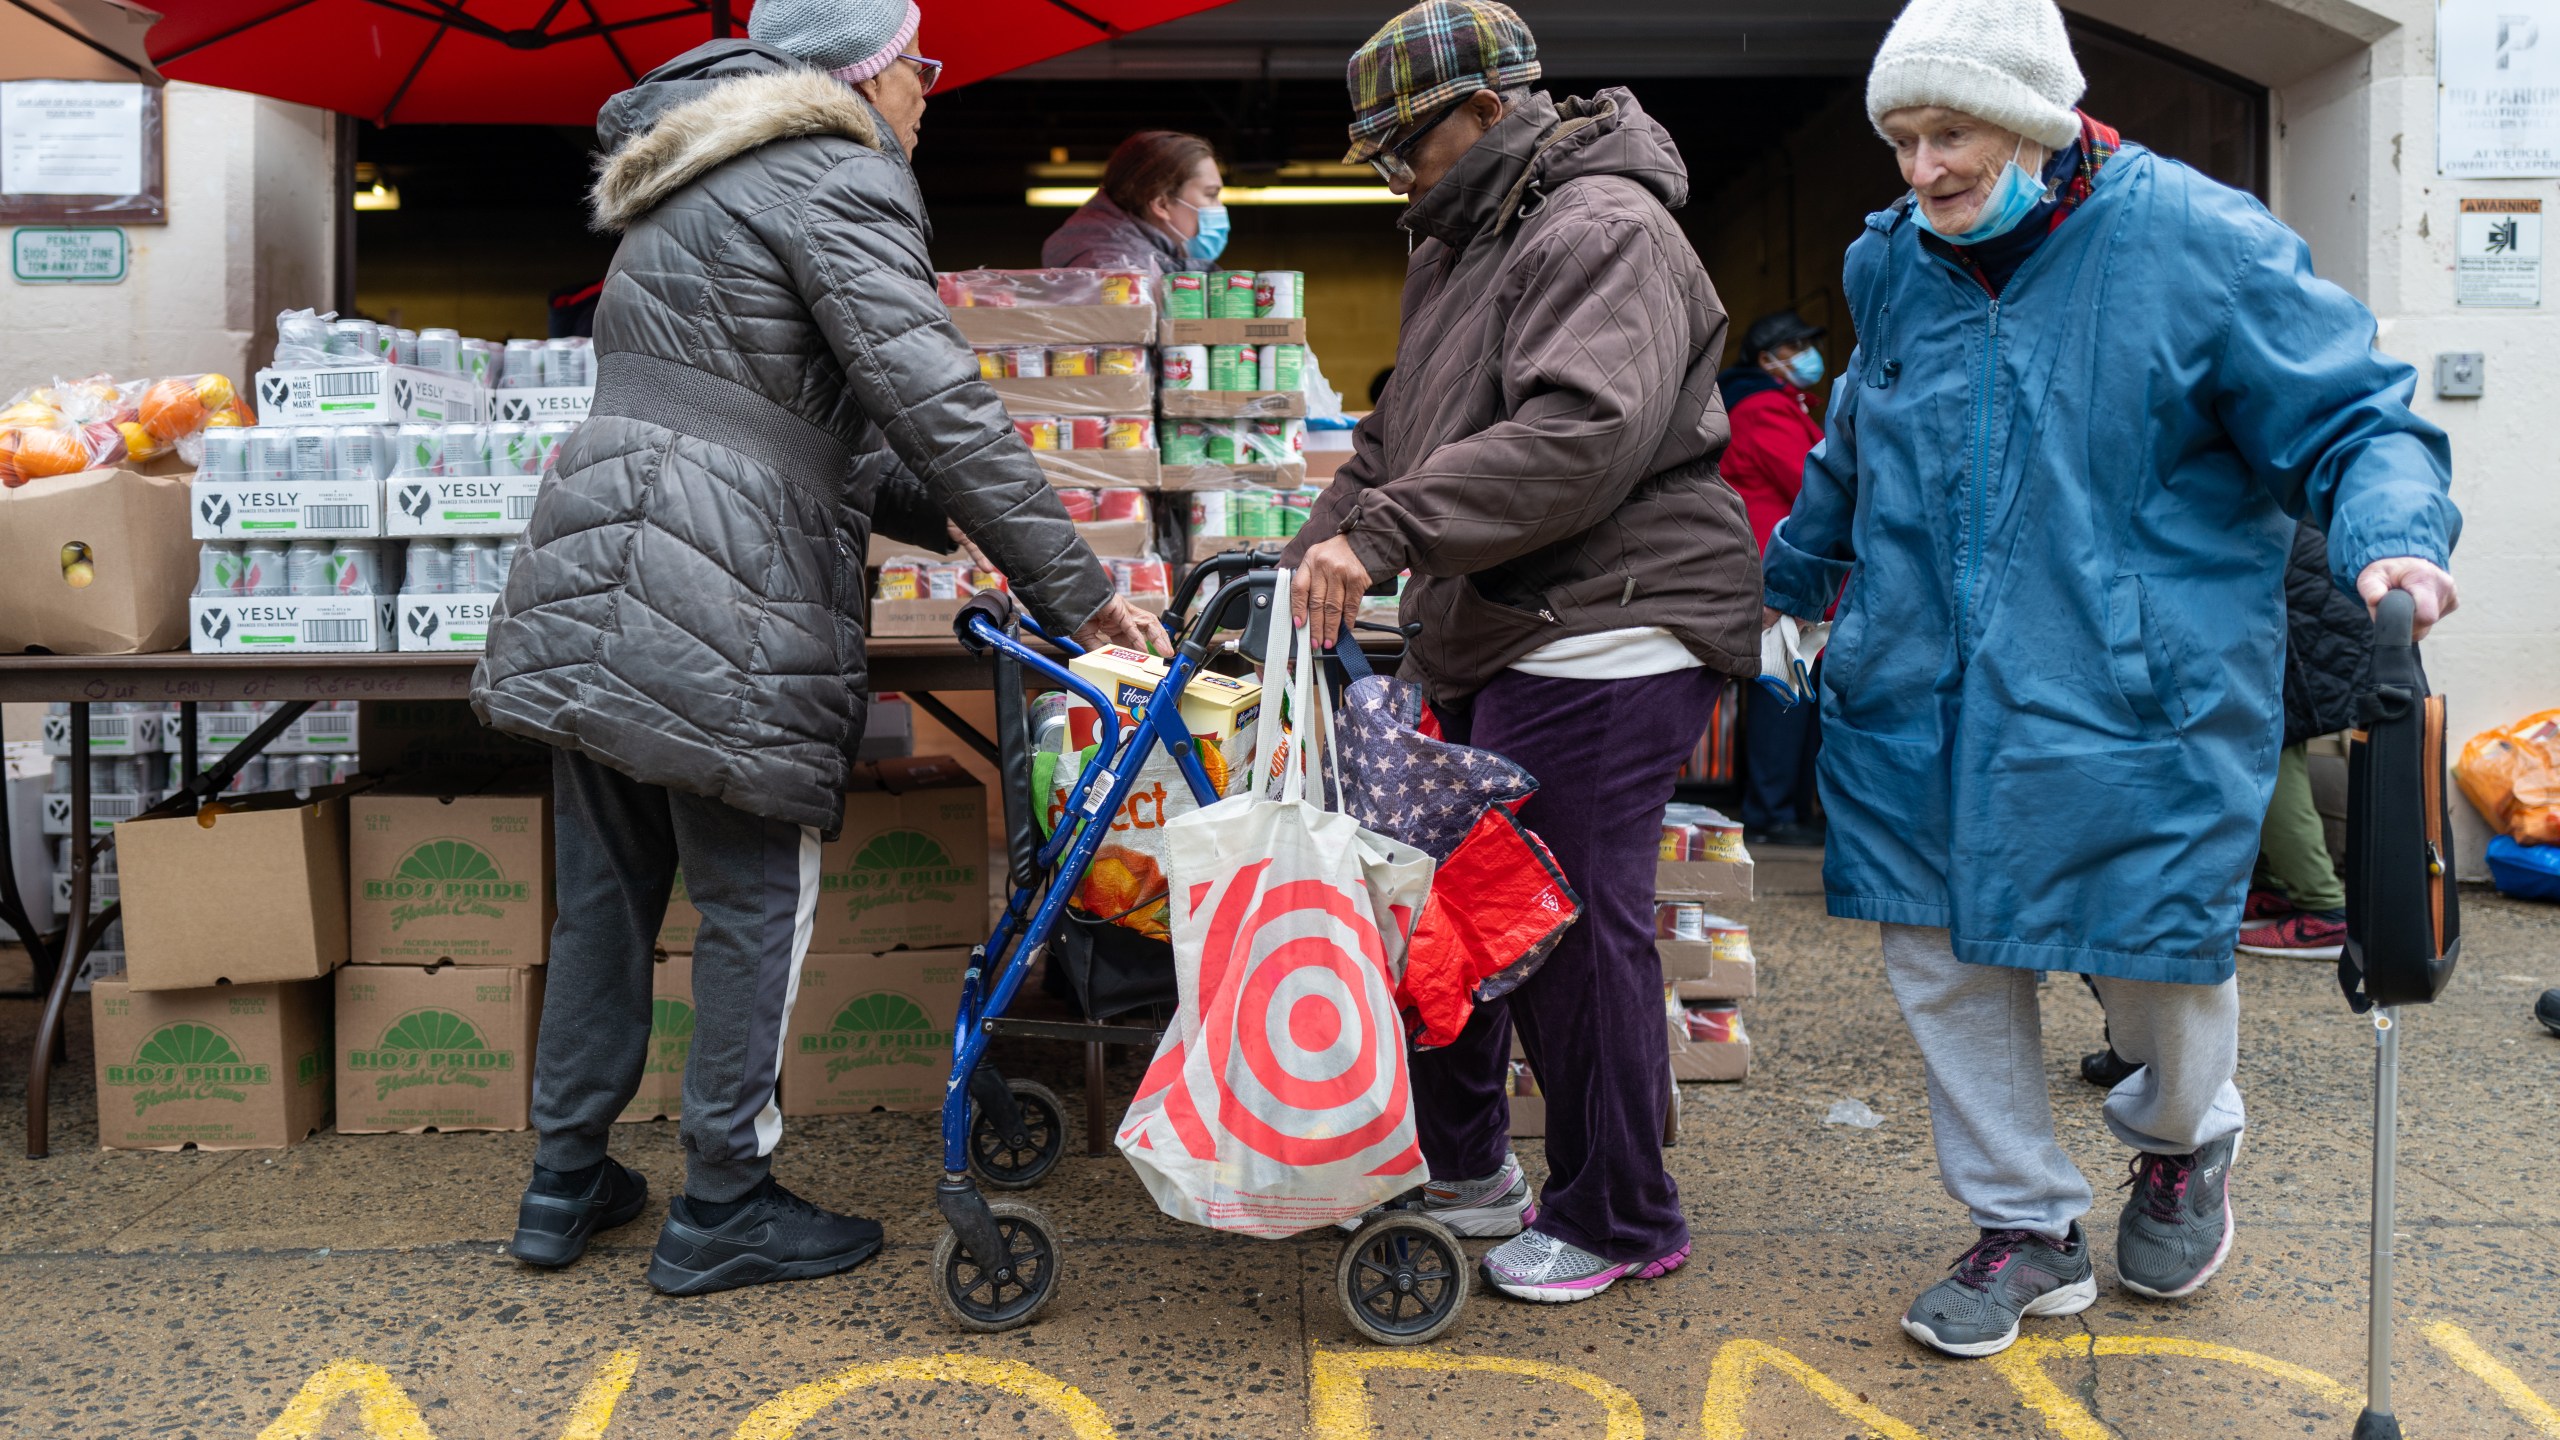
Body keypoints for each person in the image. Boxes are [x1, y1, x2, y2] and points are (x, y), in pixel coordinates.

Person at [1760, 0, 2460, 1359]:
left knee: (2153, 952)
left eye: (1948, 133)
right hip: (1921, 684)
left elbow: (2360, 417)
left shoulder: (2199, 245)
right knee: (1944, 956)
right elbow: (1859, 424)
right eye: (1900, 138)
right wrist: (1795, 579)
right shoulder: (1891, 264)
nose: (1920, 171)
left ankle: (2187, 1140)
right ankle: (2026, 1225)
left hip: (2131, 692)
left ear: (2037, 118)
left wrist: (2392, 544)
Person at [472, 0, 1165, 1299]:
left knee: (607, 893)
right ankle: (724, 1200)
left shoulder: (697, 168)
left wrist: (937, 512)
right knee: (751, 896)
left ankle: (565, 1181)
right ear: (859, 71)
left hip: (600, 544)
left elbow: (766, 399)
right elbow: (933, 396)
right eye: (919, 66)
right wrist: (1075, 588)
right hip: (723, 575)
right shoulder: (839, 172)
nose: (928, 91)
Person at [1284, 0, 1760, 1304]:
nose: (1392, 175)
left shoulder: (1601, 228)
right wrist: (1306, 554)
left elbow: (1576, 440)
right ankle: (1469, 1166)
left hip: (1612, 616)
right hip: (1509, 623)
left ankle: (1620, 1213)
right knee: (1459, 901)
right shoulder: (1458, 244)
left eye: (1403, 146)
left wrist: (1381, 537)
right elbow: (1393, 448)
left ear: (1488, 113)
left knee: (1555, 918)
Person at [1717, 308, 1831, 847]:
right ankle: (1771, 813)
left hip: (1786, 563)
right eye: (1796, 345)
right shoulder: (1764, 408)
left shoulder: (1776, 404)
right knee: (1785, 685)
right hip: (1780, 566)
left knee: (1793, 685)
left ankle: (1786, 808)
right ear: (1767, 360)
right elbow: (1813, 477)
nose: (1809, 354)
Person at [1040, 130, 1226, 277]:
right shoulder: (1117, 271)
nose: (1219, 207)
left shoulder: (1143, 262)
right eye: (1211, 194)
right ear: (1161, 205)